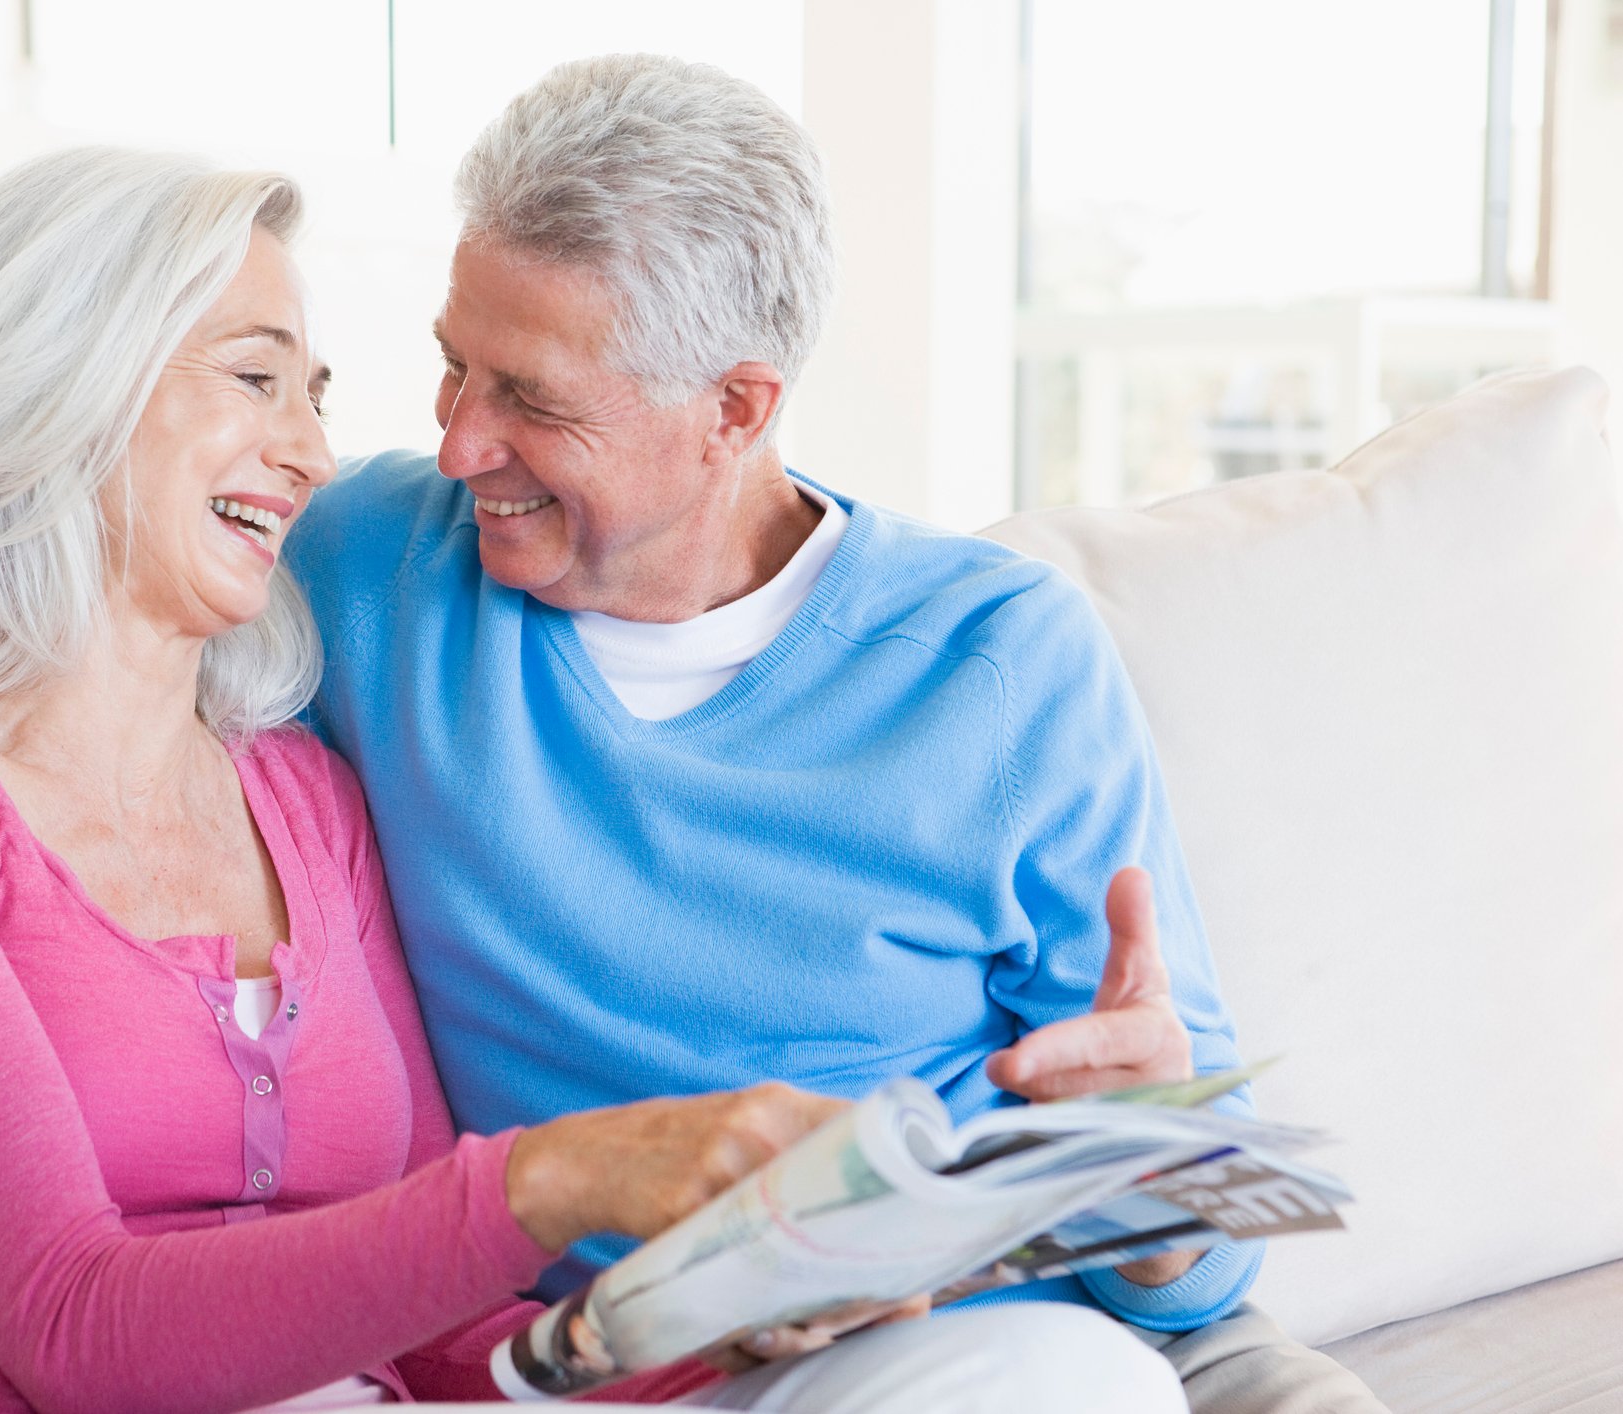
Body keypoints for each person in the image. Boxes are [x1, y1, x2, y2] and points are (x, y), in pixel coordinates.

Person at [0, 145, 1184, 1412]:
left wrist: (712, 1324)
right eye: (253, 378)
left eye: (315, 391)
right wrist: (555, 1176)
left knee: (1074, 1379)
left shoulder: (301, 794)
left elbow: (432, 1331)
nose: (313, 453)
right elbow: (76, 1325)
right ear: (56, 388)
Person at [281, 54, 1385, 1414]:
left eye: (533, 401)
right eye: (453, 370)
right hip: (563, 1355)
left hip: (924, 1347)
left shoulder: (999, 661)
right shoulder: (360, 561)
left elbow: (1193, 1274)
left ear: (734, 410)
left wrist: (1141, 1156)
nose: (458, 444)